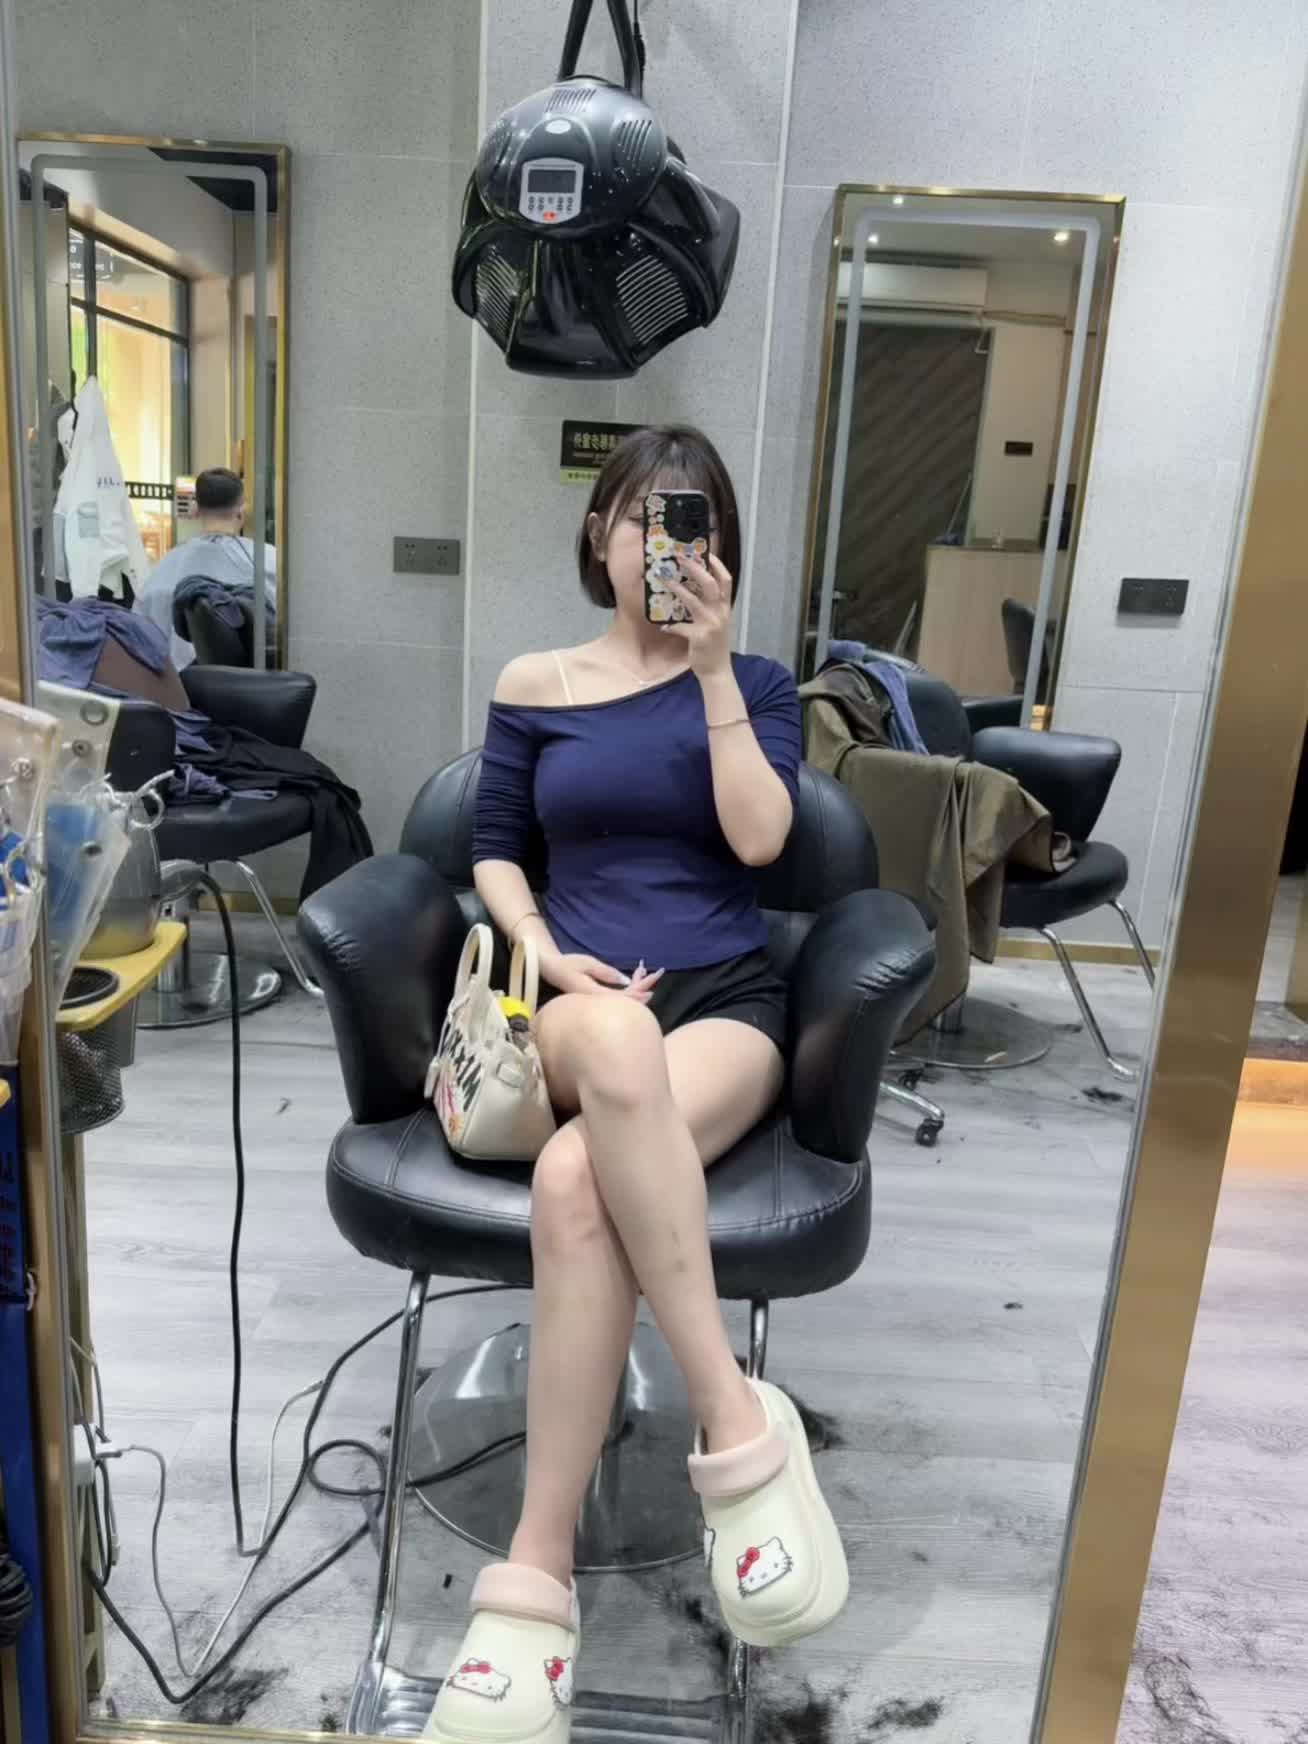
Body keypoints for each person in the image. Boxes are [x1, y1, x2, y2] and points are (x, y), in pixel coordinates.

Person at [427, 427, 847, 1744]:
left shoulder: (758, 682)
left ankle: (534, 1576)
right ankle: (738, 1429)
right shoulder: (535, 680)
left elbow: (763, 840)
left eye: (691, 522)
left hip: (725, 1006)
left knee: (575, 1181)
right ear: (599, 534)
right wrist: (546, 951)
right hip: (575, 1003)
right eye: (641, 518)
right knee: (611, 1041)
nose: (663, 545)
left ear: (718, 548)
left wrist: (713, 672)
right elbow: (496, 847)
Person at [134, 466, 277, 668]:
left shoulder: (168, 568)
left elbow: (140, 632)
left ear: (195, 509)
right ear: (242, 511)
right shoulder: (268, 559)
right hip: (255, 679)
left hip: (184, 682)